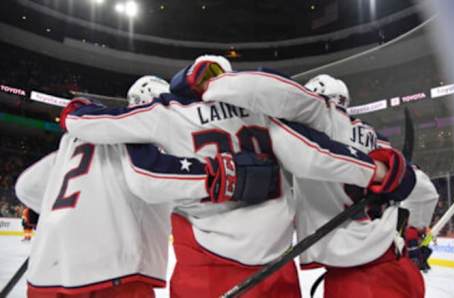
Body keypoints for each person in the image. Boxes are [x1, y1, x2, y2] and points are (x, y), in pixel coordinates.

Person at [60, 56, 404, 298]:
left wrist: (75, 110)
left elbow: (118, 149)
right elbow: (312, 155)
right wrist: (377, 170)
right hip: (276, 265)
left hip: (207, 270)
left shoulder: (167, 113)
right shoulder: (265, 112)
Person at [15, 76, 278, 298]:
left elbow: (26, 187)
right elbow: (149, 179)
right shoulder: (145, 137)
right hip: (115, 270)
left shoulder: (72, 142)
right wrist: (227, 176)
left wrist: (71, 219)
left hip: (45, 271)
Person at [201, 71, 439, 297]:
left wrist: (214, 86)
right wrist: (411, 235)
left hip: (358, 280)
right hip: (398, 266)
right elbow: (425, 191)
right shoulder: (380, 141)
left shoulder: (320, 118)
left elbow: (301, 152)